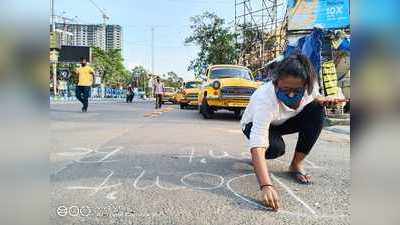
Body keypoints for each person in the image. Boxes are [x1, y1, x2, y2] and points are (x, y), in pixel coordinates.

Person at [240, 53, 345, 211]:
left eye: (296, 91)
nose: (290, 94)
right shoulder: (265, 98)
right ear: (275, 83)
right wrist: (266, 185)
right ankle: (258, 160)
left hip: (284, 121)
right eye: (285, 89)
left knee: (317, 110)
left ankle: (296, 165)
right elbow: (258, 141)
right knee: (275, 149)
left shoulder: (312, 86)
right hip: (253, 124)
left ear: (307, 85)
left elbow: (315, 97)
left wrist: (322, 100)